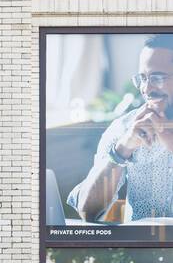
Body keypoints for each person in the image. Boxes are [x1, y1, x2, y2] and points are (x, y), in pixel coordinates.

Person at [68, 34, 173, 224]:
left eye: (157, 77)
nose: (146, 89)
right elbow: (87, 212)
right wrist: (122, 149)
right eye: (143, 78)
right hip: (141, 250)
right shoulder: (124, 127)